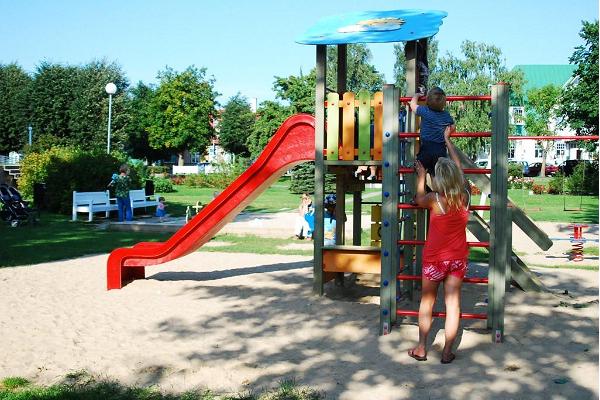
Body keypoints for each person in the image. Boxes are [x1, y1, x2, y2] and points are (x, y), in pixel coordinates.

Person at [408, 127, 470, 365]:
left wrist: (421, 176)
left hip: (435, 259)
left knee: (427, 302)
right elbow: (460, 171)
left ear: (439, 179)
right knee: (453, 305)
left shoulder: (434, 200)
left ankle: (422, 348)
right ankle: (446, 352)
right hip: (457, 259)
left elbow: (417, 198)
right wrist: (448, 142)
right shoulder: (464, 195)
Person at [409, 87, 455, 178]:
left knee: (421, 173)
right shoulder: (446, 115)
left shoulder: (425, 111)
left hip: (426, 148)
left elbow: (412, 105)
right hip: (440, 149)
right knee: (436, 175)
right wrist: (447, 132)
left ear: (427, 100)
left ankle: (421, 190)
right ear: (444, 103)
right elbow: (452, 127)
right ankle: (437, 192)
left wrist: (416, 95)